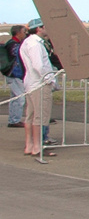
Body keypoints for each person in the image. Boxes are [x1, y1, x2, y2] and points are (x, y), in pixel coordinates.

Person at [20, 19, 56, 163]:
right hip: (39, 84)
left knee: (31, 115)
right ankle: (37, 147)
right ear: (39, 28)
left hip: (31, 83)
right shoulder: (35, 44)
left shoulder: (28, 42)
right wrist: (49, 80)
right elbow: (39, 66)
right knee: (39, 117)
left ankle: (30, 145)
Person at [5, 23, 25, 128]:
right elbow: (19, 56)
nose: (25, 34)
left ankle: (13, 119)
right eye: (23, 32)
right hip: (14, 74)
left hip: (13, 74)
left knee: (14, 98)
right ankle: (15, 120)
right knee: (20, 98)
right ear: (18, 33)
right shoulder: (14, 45)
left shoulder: (11, 43)